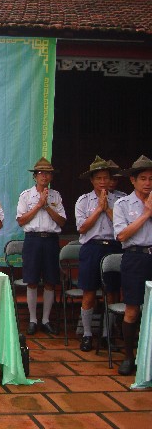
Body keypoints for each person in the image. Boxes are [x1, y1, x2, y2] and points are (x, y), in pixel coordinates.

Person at [74, 156, 122, 352]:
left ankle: (106, 335)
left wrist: (107, 209)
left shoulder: (120, 200)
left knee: (112, 292)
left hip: (113, 247)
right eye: (99, 178)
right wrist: (97, 210)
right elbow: (82, 227)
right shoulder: (84, 201)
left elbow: (123, 226)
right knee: (89, 292)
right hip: (92, 247)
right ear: (92, 180)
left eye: (106, 178)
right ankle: (87, 334)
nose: (103, 182)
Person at [16, 157, 66, 336]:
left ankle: (45, 320)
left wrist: (48, 207)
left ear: (51, 177)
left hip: (51, 240)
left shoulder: (56, 196)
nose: (44, 176)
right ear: (34, 176)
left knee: (51, 281)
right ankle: (32, 320)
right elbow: (21, 220)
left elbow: (62, 221)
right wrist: (38, 205)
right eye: (40, 173)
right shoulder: (26, 195)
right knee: (31, 281)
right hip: (33, 240)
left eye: (48, 173)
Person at [113, 155, 152, 375]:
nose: (148, 183)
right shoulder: (123, 204)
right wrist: (146, 214)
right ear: (133, 181)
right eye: (143, 178)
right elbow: (122, 235)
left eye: (151, 179)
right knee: (132, 308)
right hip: (135, 258)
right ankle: (129, 356)